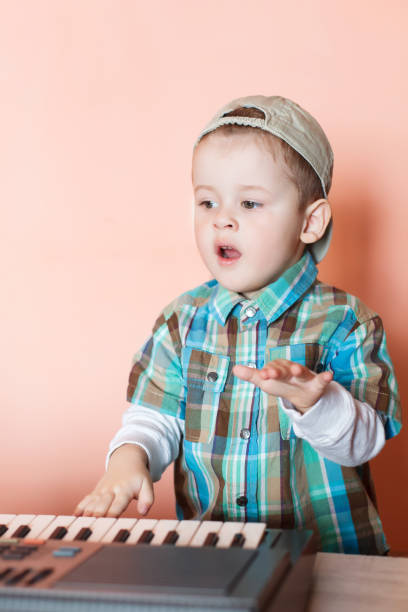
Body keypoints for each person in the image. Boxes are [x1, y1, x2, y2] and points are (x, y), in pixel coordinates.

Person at [74, 95, 401, 554]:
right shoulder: (182, 321)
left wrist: (318, 402)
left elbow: (364, 443)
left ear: (310, 222)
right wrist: (130, 459)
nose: (222, 219)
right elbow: (155, 417)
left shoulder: (346, 322)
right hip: (215, 559)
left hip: (330, 560)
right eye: (207, 202)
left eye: (249, 203)